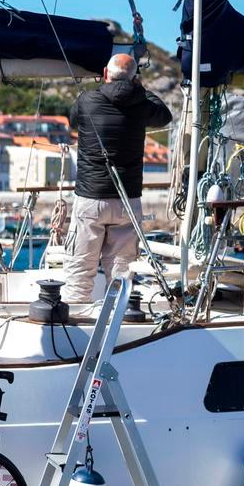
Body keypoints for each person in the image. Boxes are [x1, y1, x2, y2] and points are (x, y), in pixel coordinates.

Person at [63, 53, 172, 303]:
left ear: (104, 73)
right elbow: (164, 115)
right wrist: (140, 88)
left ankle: (76, 324)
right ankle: (118, 324)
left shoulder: (87, 100)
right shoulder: (142, 104)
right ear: (134, 78)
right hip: (127, 200)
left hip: (91, 198)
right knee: (122, 272)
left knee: (80, 270)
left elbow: (72, 119)